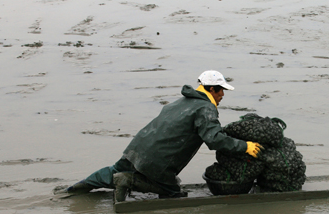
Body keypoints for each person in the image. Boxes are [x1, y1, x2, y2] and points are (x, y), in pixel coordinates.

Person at [54, 70, 263, 202]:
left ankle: (72, 189)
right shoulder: (205, 108)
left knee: (110, 172)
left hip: (137, 149)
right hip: (158, 162)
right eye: (220, 91)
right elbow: (214, 139)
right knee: (172, 192)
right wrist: (245, 147)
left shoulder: (179, 102)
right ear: (210, 89)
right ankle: (127, 180)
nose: (222, 95)